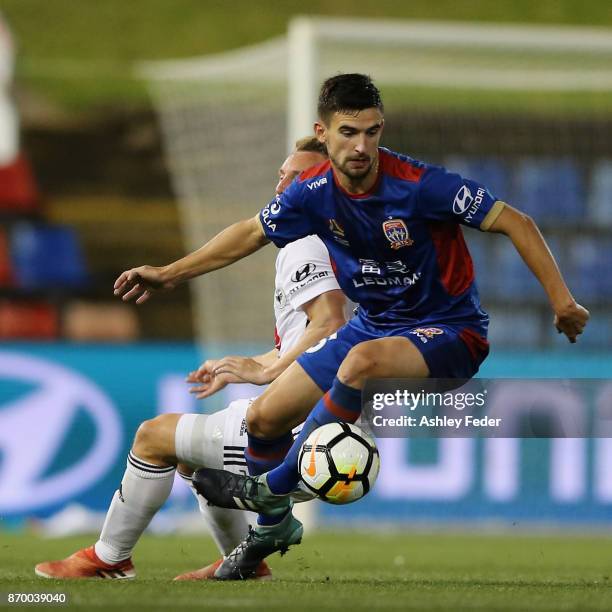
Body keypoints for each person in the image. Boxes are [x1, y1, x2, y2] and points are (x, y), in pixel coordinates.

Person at [112, 74, 589, 580]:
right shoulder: (311, 194)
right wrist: (166, 273)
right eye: (348, 133)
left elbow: (517, 221)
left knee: (361, 360)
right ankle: (273, 522)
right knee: (264, 419)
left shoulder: (421, 185)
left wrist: (562, 302)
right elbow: (249, 234)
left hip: (450, 333)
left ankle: (272, 487)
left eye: (371, 132)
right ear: (323, 132)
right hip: (375, 326)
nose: (362, 145)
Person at [34, 138, 346, 581]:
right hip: (334, 421)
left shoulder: (305, 242)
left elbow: (330, 323)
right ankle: (244, 564)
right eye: (281, 173)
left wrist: (271, 370)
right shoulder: (340, 240)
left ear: (319, 186)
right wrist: (248, 363)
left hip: (304, 429)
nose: (282, 184)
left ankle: (110, 557)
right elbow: (314, 338)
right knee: (191, 461)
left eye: (296, 176)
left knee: (153, 437)